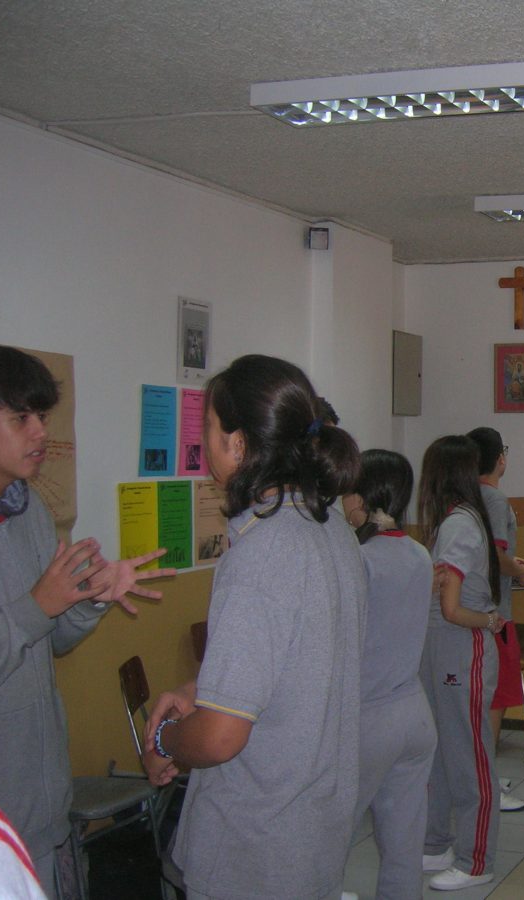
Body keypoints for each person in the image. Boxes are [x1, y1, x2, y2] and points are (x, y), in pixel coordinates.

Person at [142, 354, 365, 900]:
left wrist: (165, 741)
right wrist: (202, 690)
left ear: (238, 445)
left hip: (255, 851)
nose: (204, 453)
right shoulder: (330, 531)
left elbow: (219, 738)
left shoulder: (262, 554)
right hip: (312, 835)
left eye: (209, 433)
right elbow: (300, 669)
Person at [0, 344, 174, 898]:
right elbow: (25, 622)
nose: (40, 432)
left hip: (42, 802)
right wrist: (37, 605)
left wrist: (90, 599)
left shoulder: (29, 512)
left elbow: (52, 640)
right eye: (21, 418)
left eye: (43, 416)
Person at [344, 449, 437, 900]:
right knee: (403, 851)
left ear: (363, 496)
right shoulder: (419, 553)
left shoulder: (358, 560)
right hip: (413, 716)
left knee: (325, 845)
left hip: (368, 719)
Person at [417, 435, 503, 891]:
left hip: (460, 645)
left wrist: (488, 621)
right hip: (440, 646)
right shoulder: (456, 522)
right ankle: (435, 843)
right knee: (439, 750)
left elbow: (451, 608)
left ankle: (476, 859)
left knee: (468, 754)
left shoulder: (459, 525)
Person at [466, 426, 524, 813]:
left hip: (482, 614)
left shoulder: (468, 497)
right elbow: (494, 558)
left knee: (487, 699)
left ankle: (483, 773)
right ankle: (486, 783)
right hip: (494, 618)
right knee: (494, 701)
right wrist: (518, 570)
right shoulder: (492, 498)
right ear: (499, 458)